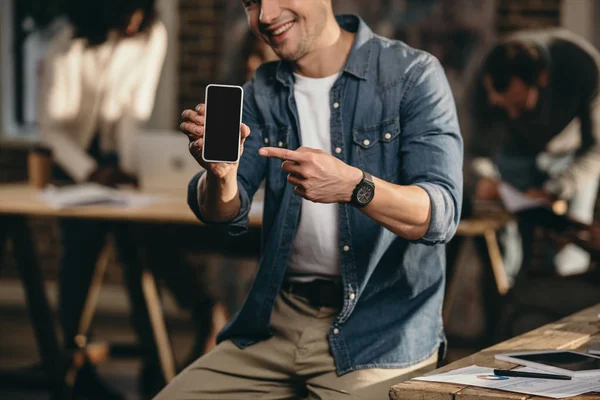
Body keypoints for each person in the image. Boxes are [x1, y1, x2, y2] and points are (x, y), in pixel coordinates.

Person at [165, 0, 462, 398]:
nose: (265, 16)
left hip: (380, 331)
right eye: (251, 3)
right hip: (277, 321)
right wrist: (220, 177)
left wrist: (355, 187)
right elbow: (223, 213)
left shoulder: (411, 74)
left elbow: (440, 213)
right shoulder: (260, 91)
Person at [39, 1, 213, 398]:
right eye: (126, 10)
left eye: (141, 10)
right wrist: (90, 171)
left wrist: (131, 168)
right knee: (80, 256)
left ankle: (157, 366)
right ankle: (74, 370)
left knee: (141, 252)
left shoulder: (152, 35)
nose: (135, 19)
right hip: (75, 161)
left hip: (122, 158)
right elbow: (52, 128)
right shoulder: (66, 46)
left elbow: (135, 110)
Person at [468, 29, 600, 281]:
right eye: (502, 108)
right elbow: (470, 148)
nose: (513, 116)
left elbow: (596, 149)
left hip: (571, 161)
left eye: (519, 106)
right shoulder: (483, 74)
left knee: (569, 252)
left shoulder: (583, 65)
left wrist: (556, 188)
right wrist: (483, 178)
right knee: (502, 258)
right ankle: (509, 316)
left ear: (542, 78)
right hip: (512, 158)